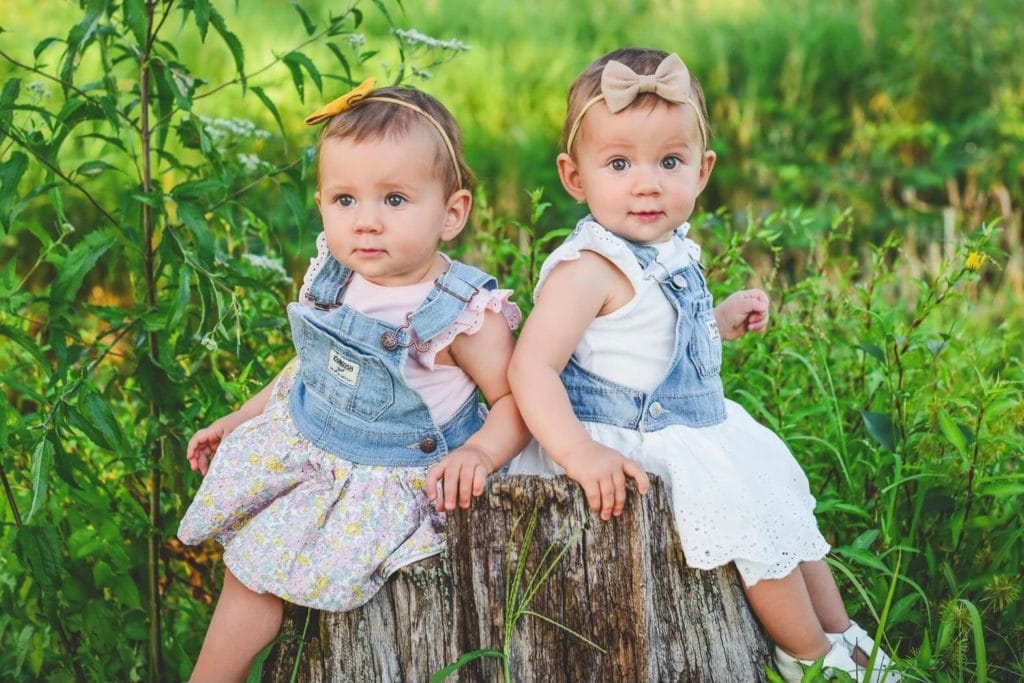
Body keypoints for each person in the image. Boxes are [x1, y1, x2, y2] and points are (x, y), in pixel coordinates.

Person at [507, 48, 899, 682]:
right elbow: (531, 370)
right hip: (623, 436)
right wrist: (580, 454)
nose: (646, 182)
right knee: (748, 523)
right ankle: (807, 658)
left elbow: (653, 341)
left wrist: (718, 322)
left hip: (690, 422)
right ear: (574, 177)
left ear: (702, 169)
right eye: (617, 163)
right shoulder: (587, 267)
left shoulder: (670, 249)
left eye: (669, 161)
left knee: (781, 503)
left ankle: (841, 632)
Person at [178, 80, 530, 682]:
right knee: (252, 568)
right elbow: (308, 373)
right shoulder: (334, 276)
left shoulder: (462, 312)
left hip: (393, 477)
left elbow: (517, 400)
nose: (366, 222)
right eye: (345, 200)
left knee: (310, 589)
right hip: (314, 443)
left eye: (394, 200)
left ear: (452, 213)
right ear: (321, 204)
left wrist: (479, 451)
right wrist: (240, 418)